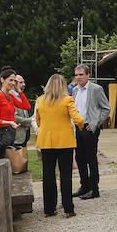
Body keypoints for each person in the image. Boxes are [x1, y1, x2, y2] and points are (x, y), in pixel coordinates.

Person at [34, 73, 85, 218]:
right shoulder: (67, 100)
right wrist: (81, 126)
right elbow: (78, 119)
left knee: (48, 175)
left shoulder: (40, 101)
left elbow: (38, 121)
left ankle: (49, 208)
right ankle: (68, 208)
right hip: (65, 141)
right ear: (63, 86)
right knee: (65, 175)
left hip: (46, 141)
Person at [71, 65, 110, 199]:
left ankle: (94, 189)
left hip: (90, 128)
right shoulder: (75, 90)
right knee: (79, 158)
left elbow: (106, 109)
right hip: (78, 127)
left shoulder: (96, 89)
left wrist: (95, 124)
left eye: (81, 75)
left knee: (91, 158)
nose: (78, 77)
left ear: (88, 75)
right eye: (76, 75)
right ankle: (84, 186)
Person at [0, 67, 31, 159]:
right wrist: (8, 122)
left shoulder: (11, 96)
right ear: (2, 80)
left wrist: (19, 91)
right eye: (11, 80)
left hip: (12, 133)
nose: (13, 83)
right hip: (2, 134)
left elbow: (27, 106)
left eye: (14, 81)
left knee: (12, 162)